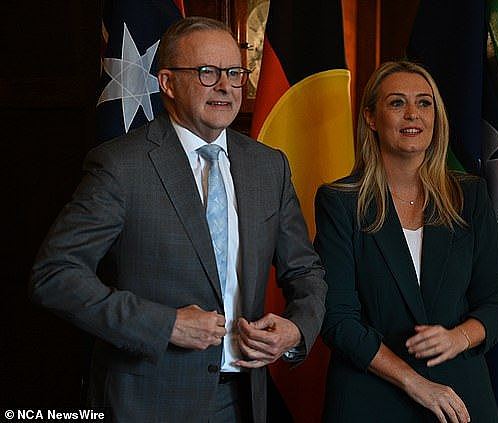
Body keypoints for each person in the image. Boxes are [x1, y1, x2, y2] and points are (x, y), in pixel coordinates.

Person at [30, 17, 326, 423]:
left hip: (244, 398)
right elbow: (55, 275)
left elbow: (307, 272)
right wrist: (165, 324)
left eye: (234, 72)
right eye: (207, 72)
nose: (225, 86)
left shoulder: (268, 166)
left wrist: (296, 330)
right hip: (147, 402)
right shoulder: (121, 166)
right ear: (167, 83)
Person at [314, 61, 498, 423]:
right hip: (371, 397)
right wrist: (413, 381)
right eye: (396, 103)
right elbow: (338, 321)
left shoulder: (469, 196)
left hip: (460, 399)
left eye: (424, 103)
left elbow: (496, 305)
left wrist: (457, 339)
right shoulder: (340, 202)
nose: (412, 114)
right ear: (372, 117)